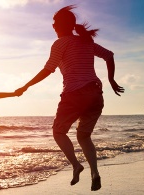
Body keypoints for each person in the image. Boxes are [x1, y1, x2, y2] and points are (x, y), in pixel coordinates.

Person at [15, 5, 125, 191]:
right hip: (96, 95)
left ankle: (76, 165)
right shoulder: (85, 41)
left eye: (56, 23)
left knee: (58, 132)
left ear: (64, 25)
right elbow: (109, 56)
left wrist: (26, 86)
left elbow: (48, 69)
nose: (53, 25)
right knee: (84, 136)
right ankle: (94, 173)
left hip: (75, 94)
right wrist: (111, 80)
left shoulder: (60, 43)